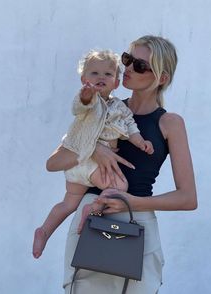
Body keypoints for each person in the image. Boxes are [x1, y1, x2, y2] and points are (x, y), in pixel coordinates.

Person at [46, 35, 197, 294]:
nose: (127, 69)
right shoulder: (99, 108)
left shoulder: (170, 123)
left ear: (161, 78)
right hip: (90, 219)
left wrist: (132, 202)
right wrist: (95, 148)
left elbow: (187, 198)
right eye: (127, 60)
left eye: (139, 66)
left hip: (136, 222)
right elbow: (53, 162)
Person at [32, 49, 154, 259]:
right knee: (120, 187)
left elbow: (131, 127)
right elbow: (79, 107)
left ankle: (44, 231)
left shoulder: (120, 108)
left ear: (116, 82)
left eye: (107, 74)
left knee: (68, 204)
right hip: (86, 161)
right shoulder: (89, 102)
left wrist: (141, 142)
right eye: (94, 74)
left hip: (81, 168)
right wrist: (86, 96)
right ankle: (92, 209)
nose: (100, 78)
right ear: (84, 80)